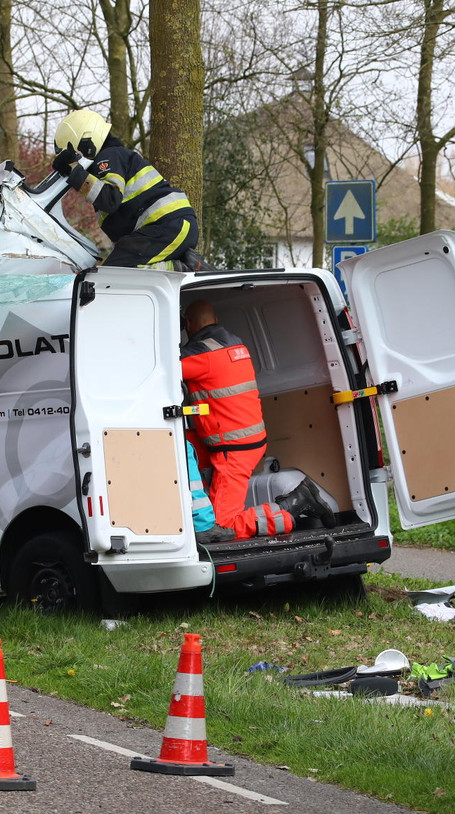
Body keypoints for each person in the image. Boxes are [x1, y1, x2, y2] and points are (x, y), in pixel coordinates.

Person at [180, 300, 334, 542]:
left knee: (220, 527)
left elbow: (163, 368)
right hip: (244, 442)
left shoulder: (201, 354)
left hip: (233, 449)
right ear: (216, 320)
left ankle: (295, 505)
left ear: (188, 324)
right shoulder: (235, 344)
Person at [51, 109, 200, 269]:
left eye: (74, 157)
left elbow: (110, 199)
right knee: (117, 272)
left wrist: (74, 171)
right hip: (167, 227)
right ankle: (184, 265)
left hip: (168, 226)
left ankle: (184, 268)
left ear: (87, 145)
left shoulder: (109, 156)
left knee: (116, 273)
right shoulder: (116, 158)